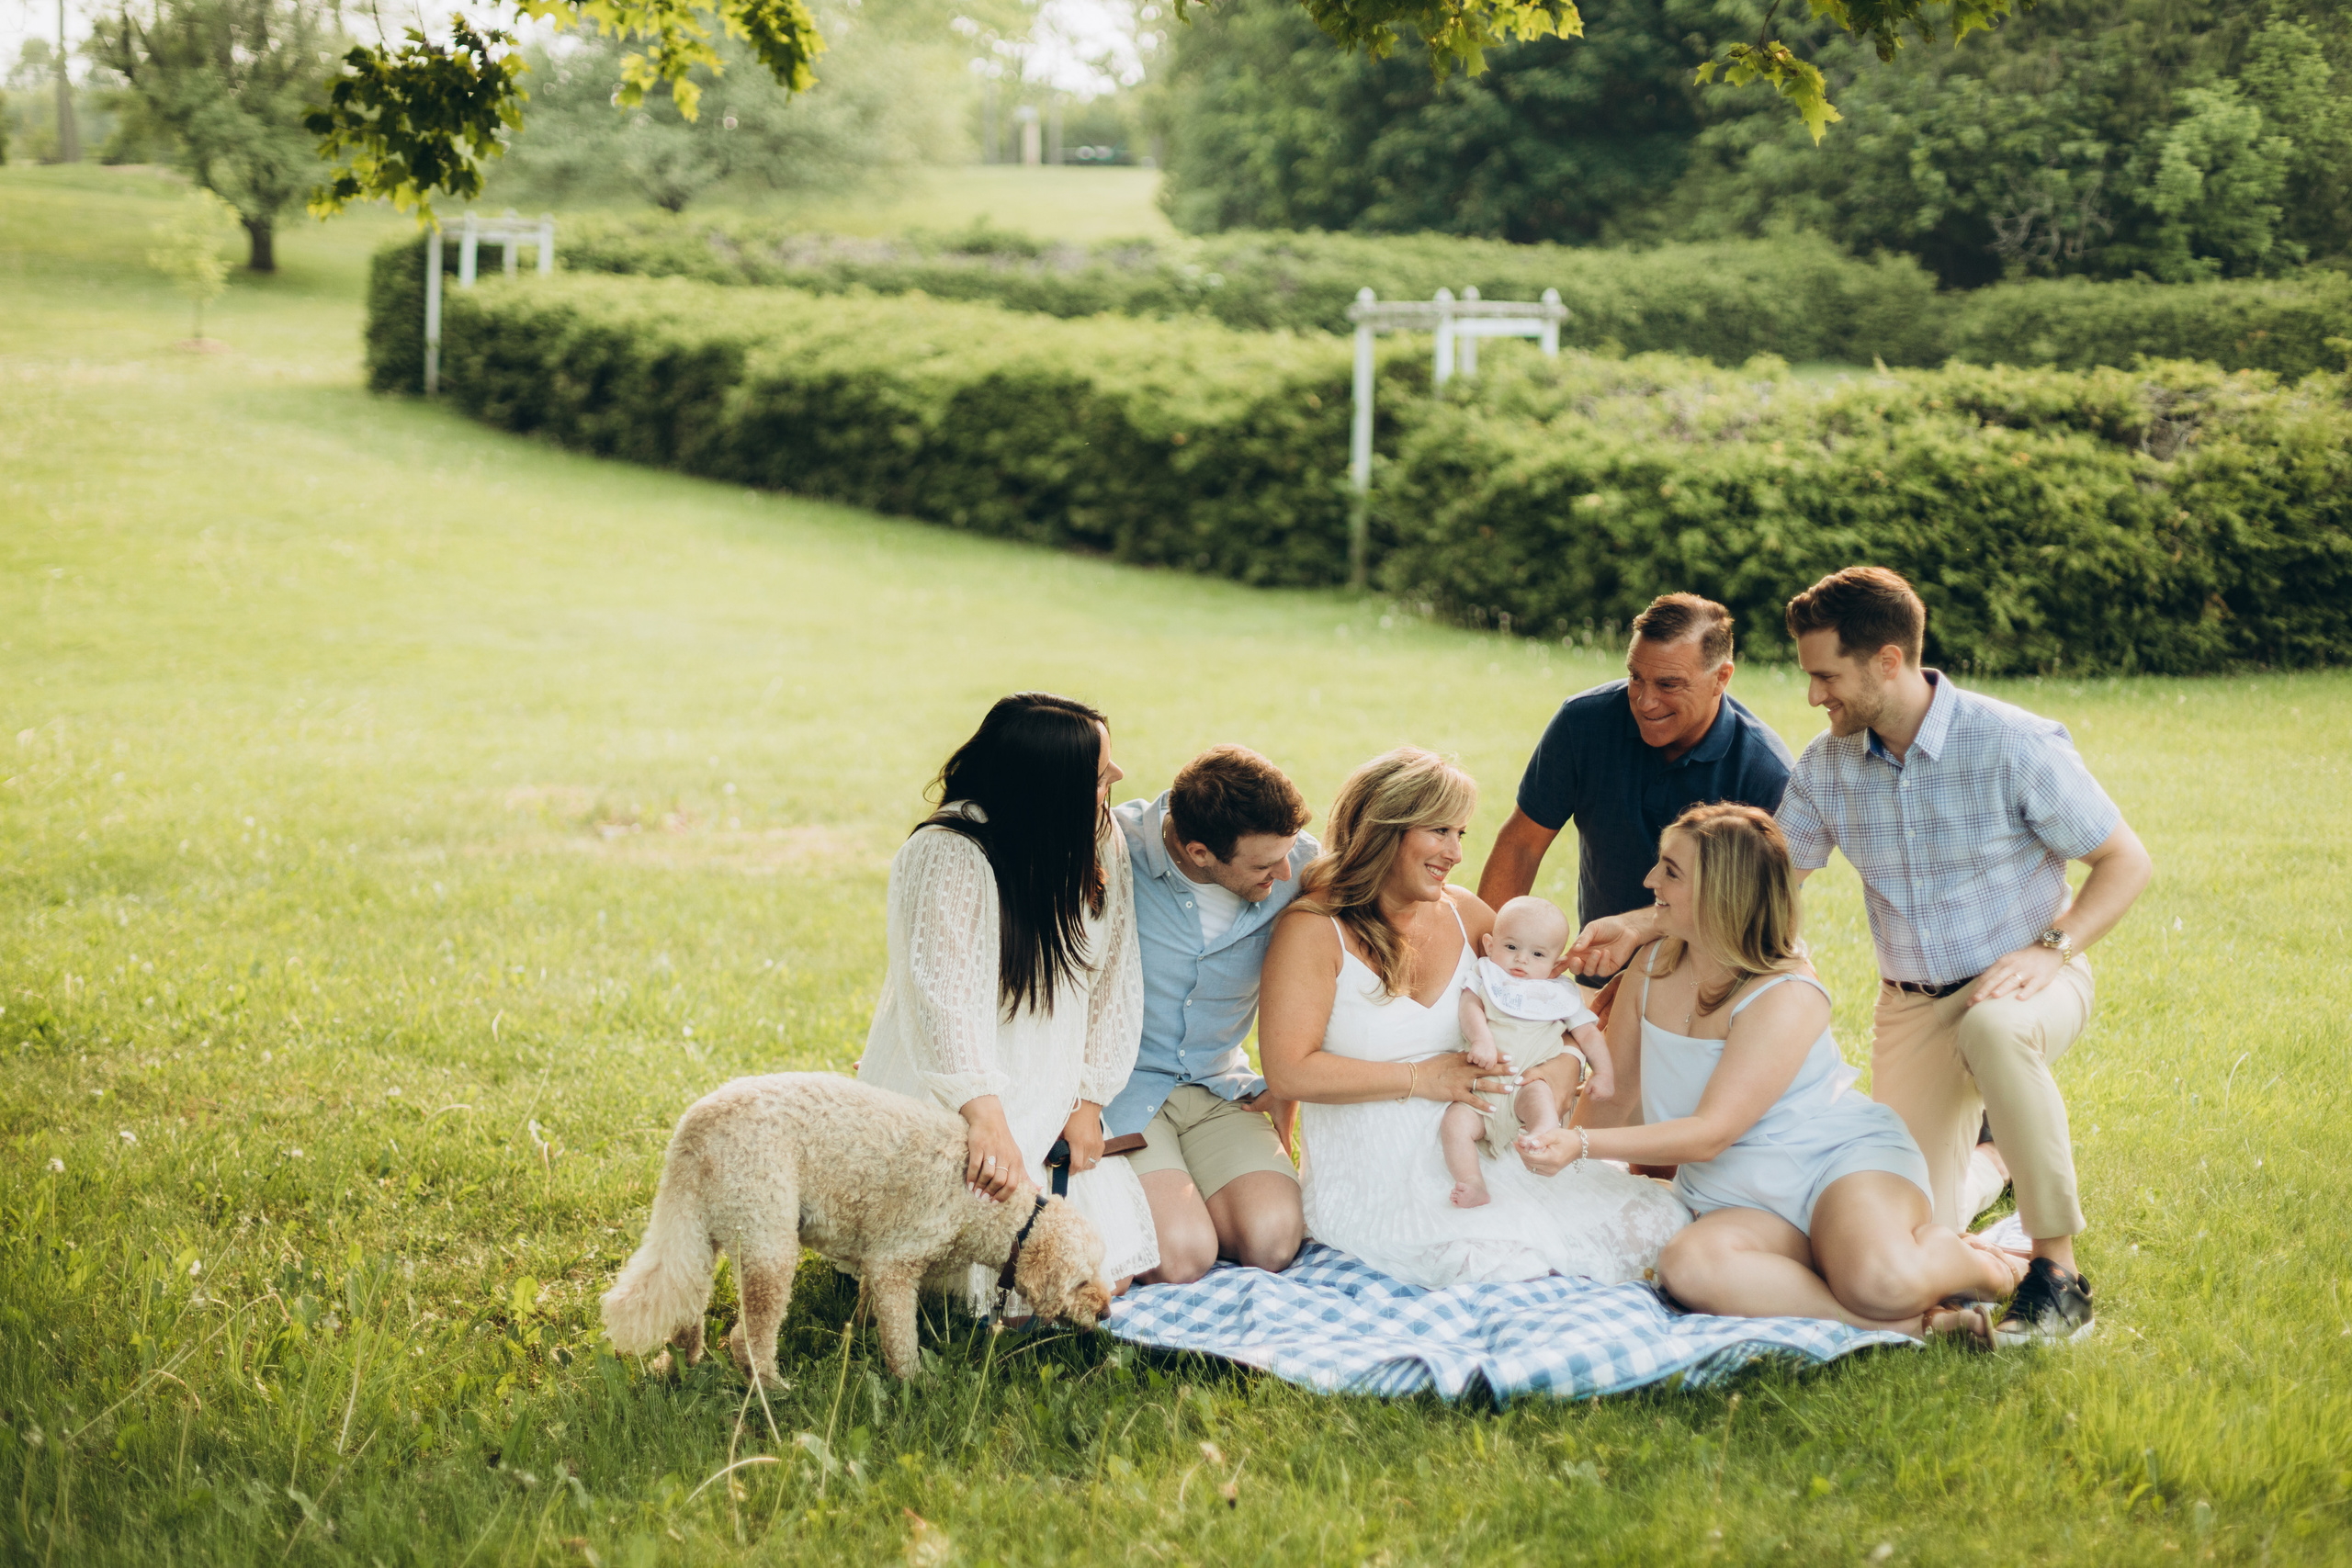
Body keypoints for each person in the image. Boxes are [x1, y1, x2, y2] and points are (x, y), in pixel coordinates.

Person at [1571, 568, 2153, 1345]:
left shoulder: (2011, 743)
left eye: (1824, 675)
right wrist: (1646, 926)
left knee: (1994, 1031)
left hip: (2026, 975)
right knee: (1893, 1256)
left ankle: (2054, 1271)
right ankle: (1971, 1242)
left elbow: (2125, 860)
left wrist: (2054, 948)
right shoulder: (1828, 765)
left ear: (1888, 661)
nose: (1813, 695)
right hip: (1911, 1003)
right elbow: (1758, 885)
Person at [1521, 804, 2024, 1343]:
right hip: (1734, 1197)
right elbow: (1613, 1096)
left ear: (1722, 891)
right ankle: (1915, 1326)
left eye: (1670, 870)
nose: (1649, 881)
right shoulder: (1650, 967)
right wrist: (1570, 1179)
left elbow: (1713, 1132)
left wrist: (1578, 1141)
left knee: (1878, 1279)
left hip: (1836, 1167)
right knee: (1688, 1265)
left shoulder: (1787, 993)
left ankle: (1999, 1265)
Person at [1258, 748, 1687, 1290]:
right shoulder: (1315, 928)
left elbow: (1548, 1004)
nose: (1456, 853)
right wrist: (1422, 1078)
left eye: (1461, 833)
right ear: (1383, 828)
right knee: (1491, 1264)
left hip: (1486, 1137)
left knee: (1653, 1226)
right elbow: (1289, 1072)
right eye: (1440, 830)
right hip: (1377, 1161)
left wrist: (1567, 1063)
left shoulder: (1466, 914)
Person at [858, 692, 1159, 1306]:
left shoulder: (1097, 836)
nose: (1120, 778)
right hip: (959, 1095)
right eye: (1101, 771)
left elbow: (1115, 980)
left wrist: (1089, 1102)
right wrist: (985, 1120)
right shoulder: (948, 851)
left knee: (1109, 1271)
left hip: (1051, 1086)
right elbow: (940, 1001)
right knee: (972, 1286)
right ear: (1048, 785)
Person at [1476, 593, 1793, 992]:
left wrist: (1638, 925)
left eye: (1668, 684)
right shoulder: (1583, 724)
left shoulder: (1766, 772)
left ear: (1721, 677)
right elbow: (1522, 844)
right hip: (1598, 974)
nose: (1645, 701)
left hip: (1710, 992)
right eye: (1635, 676)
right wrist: (1483, 971)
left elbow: (1754, 911)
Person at [1105, 745, 1316, 1284]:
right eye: (1266, 865)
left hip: (1221, 1089)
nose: (1286, 871)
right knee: (1180, 1257)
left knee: (1272, 1243)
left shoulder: (1300, 863)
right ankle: (1173, 1204)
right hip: (1123, 1092)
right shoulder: (1112, 848)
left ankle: (1189, 1192)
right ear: (1199, 853)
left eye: (1287, 854)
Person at [1442, 896, 1610, 1210]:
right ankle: (1472, 1182)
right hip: (1481, 1090)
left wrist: (1603, 1072)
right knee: (1454, 1123)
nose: (1521, 960)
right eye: (1511, 947)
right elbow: (1470, 1006)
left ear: (1556, 965)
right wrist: (1481, 1040)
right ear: (1490, 945)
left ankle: (1542, 1137)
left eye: (1537, 954)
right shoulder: (1485, 976)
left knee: (1540, 1100)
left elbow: (1588, 1032)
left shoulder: (1557, 992)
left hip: (1528, 1083)